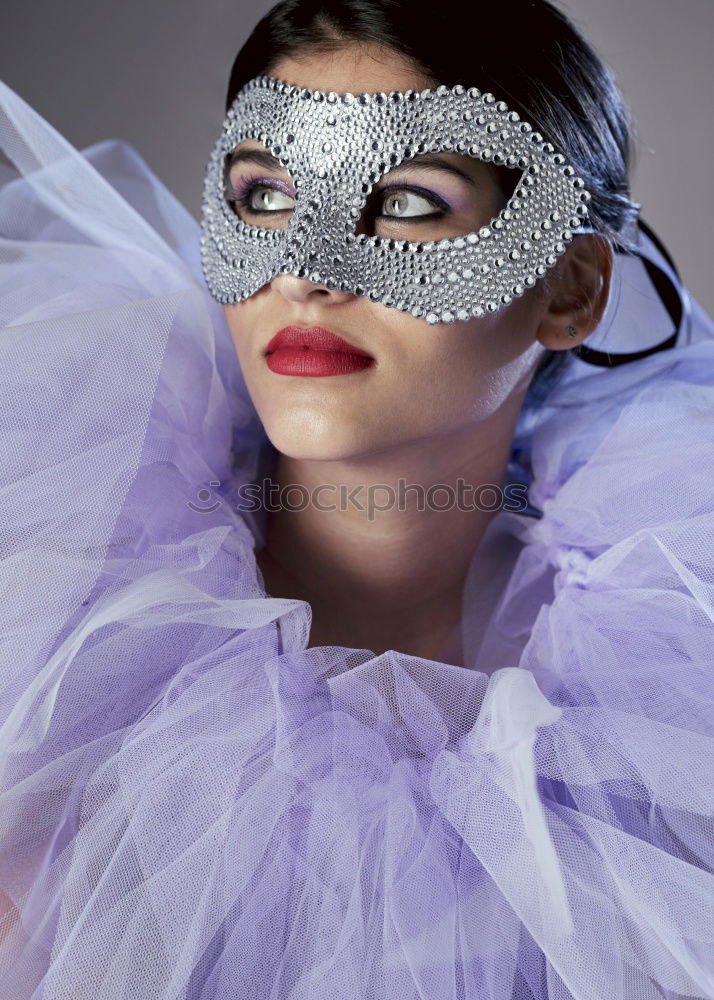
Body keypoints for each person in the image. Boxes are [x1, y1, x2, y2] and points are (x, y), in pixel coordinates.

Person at [0, 1, 713, 997]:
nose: (304, 272)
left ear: (570, 290)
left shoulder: (687, 697)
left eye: (411, 203)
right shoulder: (44, 658)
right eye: (265, 194)